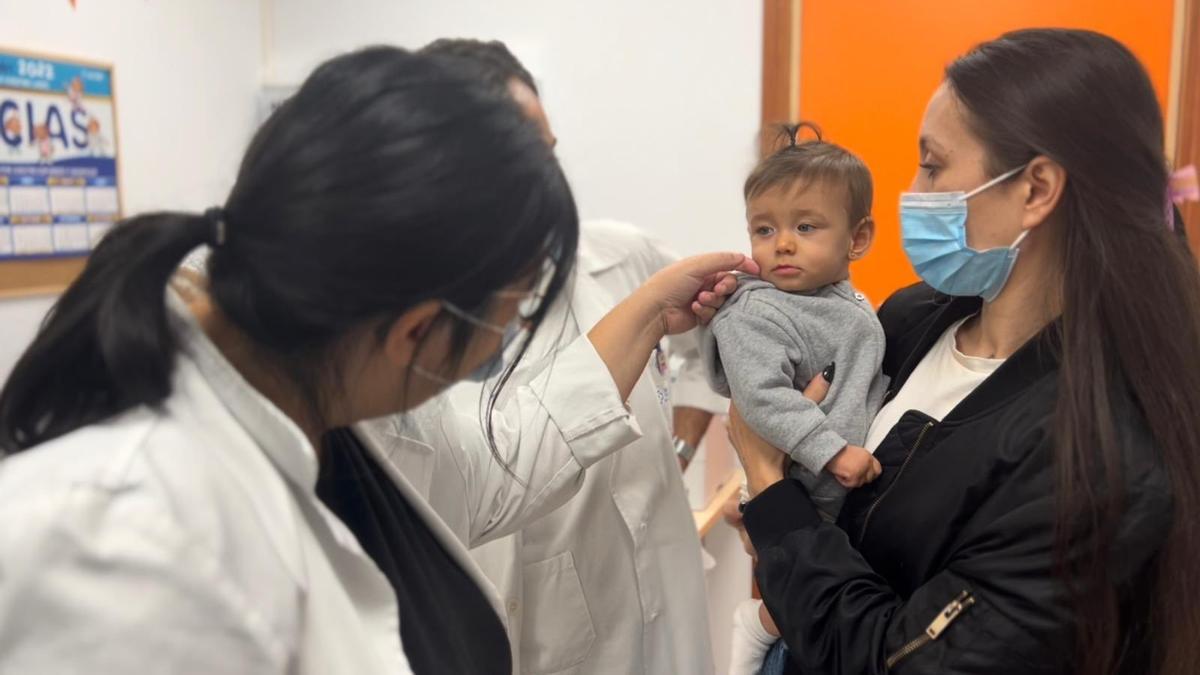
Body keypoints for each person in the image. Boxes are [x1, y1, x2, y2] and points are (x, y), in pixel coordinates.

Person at [0, 46, 752, 674]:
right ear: (418, 332)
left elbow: (495, 464)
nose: (506, 341)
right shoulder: (120, 537)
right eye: (506, 315)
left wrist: (651, 310)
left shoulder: (321, 382)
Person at [727, 29, 1200, 674]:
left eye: (933, 164)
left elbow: (897, 659)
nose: (914, 189)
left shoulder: (1093, 458)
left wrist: (769, 489)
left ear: (1035, 189)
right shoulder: (908, 318)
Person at [364, 38, 726, 675]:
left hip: (668, 621)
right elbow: (501, 470)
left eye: (550, 157)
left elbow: (706, 344)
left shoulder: (621, 257)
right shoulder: (404, 342)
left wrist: (684, 443)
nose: (547, 185)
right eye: (524, 160)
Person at [703, 124, 885, 675]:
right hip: (812, 486)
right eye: (764, 228)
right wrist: (831, 450)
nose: (781, 243)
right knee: (813, 596)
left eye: (805, 227)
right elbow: (760, 398)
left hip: (837, 492)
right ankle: (757, 632)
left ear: (856, 240)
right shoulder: (755, 312)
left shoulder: (840, 300)